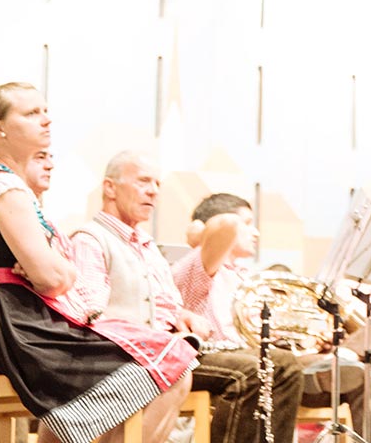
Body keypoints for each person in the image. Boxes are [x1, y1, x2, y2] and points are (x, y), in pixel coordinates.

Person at [0, 83, 197, 443]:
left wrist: (54, 269)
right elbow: (53, 277)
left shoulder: (6, 186)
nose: (46, 119)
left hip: (23, 323)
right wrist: (58, 269)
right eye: (31, 113)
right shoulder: (3, 186)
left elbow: (51, 272)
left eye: (45, 110)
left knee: (169, 359)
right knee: (172, 364)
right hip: (23, 331)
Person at [69, 152, 302, 443]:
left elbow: (168, 305)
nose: (154, 191)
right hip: (139, 356)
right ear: (110, 187)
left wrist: (184, 316)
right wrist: (158, 336)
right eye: (143, 181)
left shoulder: (147, 246)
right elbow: (91, 317)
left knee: (282, 363)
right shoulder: (90, 239)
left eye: (156, 183)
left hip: (175, 350)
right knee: (257, 370)